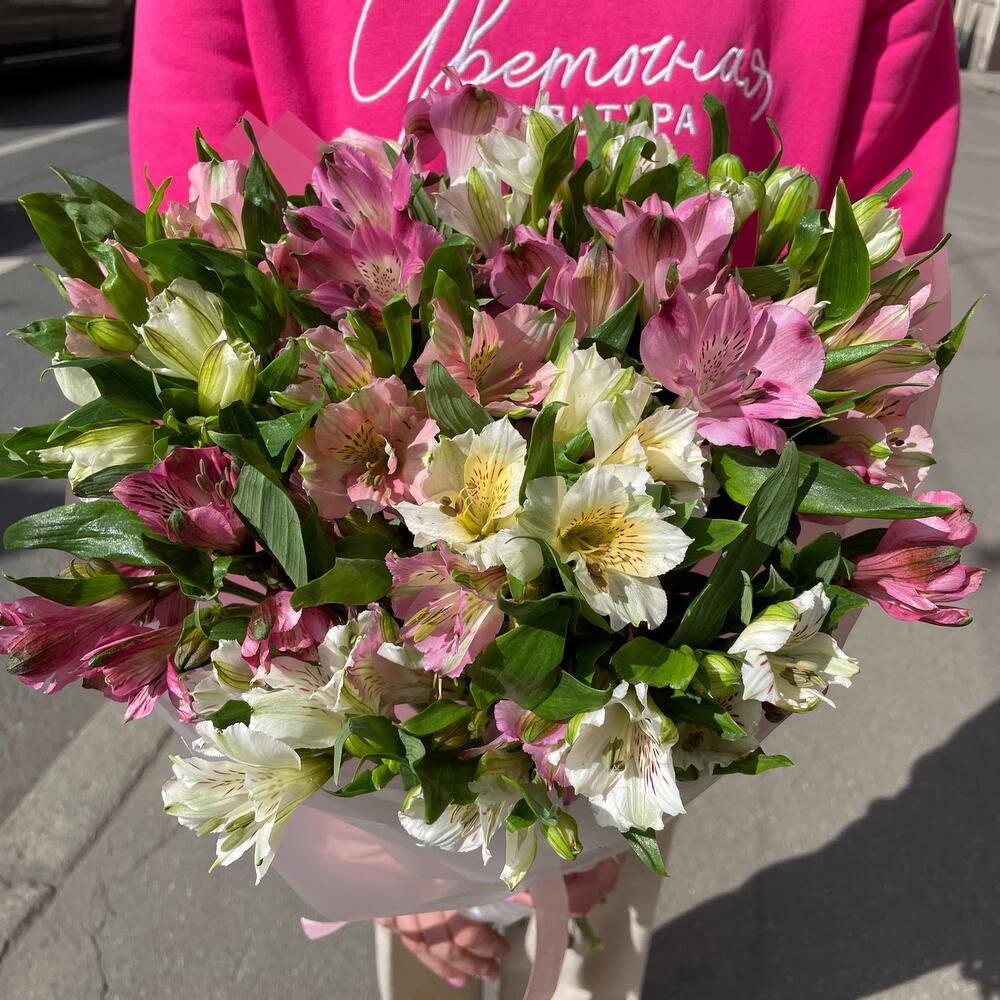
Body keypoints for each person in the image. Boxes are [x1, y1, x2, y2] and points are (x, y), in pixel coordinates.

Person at [128, 1, 960, 996]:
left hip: (658, 644)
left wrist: (672, 759)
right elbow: (193, 233)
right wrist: (368, 841)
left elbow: (888, 287)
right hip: (360, 657)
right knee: (432, 965)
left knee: (598, 956)